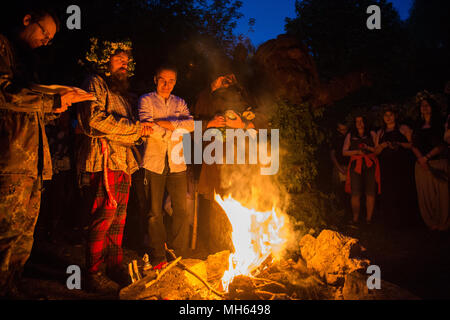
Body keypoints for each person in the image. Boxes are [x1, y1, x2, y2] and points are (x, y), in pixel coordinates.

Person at [0, 7, 93, 297]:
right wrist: (51, 100)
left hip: (33, 161)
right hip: (10, 159)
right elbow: (4, 93)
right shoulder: (2, 47)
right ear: (27, 19)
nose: (46, 40)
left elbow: (31, 109)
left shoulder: (28, 61)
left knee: (24, 234)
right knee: (5, 233)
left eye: (51, 38)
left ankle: (12, 286)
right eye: (44, 32)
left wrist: (58, 106)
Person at [77, 39, 153, 293]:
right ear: (104, 59)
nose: (125, 64)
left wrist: (140, 132)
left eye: (127, 60)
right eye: (119, 59)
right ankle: (93, 272)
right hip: (104, 159)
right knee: (103, 217)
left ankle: (113, 265)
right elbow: (95, 120)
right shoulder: (94, 83)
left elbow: (127, 129)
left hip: (124, 162)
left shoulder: (119, 91)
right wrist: (135, 130)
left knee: (118, 220)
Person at [138, 65, 194, 265]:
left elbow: (191, 125)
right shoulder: (146, 100)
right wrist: (174, 129)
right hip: (153, 162)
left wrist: (166, 124)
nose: (166, 84)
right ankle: (158, 254)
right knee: (154, 213)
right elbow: (146, 125)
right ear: (155, 79)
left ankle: (178, 254)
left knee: (181, 210)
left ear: (175, 82)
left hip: (177, 163)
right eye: (162, 79)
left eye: (171, 81)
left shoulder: (180, 102)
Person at [411, 91, 448, 231]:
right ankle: (430, 221)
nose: (424, 108)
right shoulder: (418, 125)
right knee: (426, 194)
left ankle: (443, 222)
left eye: (427, 105)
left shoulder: (440, 124)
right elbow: (414, 144)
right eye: (422, 106)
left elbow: (442, 144)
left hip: (437, 162)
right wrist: (421, 158)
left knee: (442, 194)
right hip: (421, 165)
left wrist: (427, 157)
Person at [374, 105, 416, 227]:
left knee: (402, 190)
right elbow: (376, 151)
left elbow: (411, 144)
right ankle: (390, 222)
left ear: (395, 116)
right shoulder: (380, 132)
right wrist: (382, 146)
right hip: (386, 167)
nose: (388, 118)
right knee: (389, 192)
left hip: (401, 165)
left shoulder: (403, 128)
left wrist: (398, 144)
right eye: (386, 115)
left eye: (390, 115)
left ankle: (405, 220)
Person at [343, 115, 380, 226]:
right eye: (357, 121)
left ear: (365, 122)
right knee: (355, 193)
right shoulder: (350, 135)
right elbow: (344, 152)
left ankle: (369, 219)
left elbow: (377, 149)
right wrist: (357, 152)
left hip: (370, 164)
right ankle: (355, 218)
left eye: (361, 121)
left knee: (370, 192)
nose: (359, 123)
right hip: (356, 165)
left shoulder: (372, 134)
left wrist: (368, 148)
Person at [330, 121, 349, 211]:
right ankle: (339, 211)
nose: (343, 131)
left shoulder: (350, 138)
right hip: (339, 167)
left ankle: (348, 212)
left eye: (345, 129)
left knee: (349, 192)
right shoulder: (335, 139)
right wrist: (339, 168)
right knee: (339, 191)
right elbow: (332, 155)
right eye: (341, 129)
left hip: (349, 167)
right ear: (338, 129)